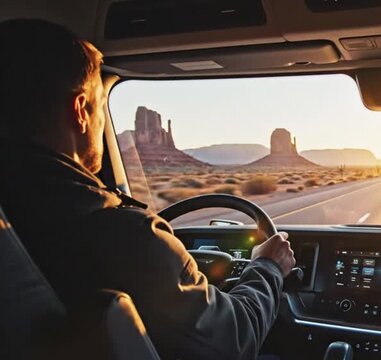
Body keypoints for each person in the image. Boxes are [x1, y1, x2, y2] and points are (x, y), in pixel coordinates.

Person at [0, 19, 295, 360]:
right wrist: (268, 267)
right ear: (80, 111)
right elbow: (231, 340)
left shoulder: (15, 212)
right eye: (99, 109)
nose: (101, 125)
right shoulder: (122, 233)